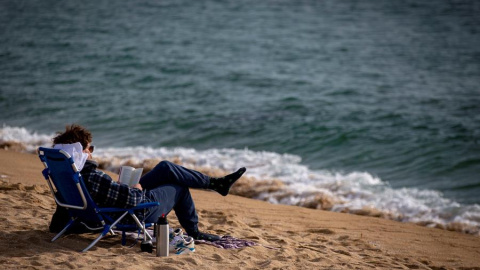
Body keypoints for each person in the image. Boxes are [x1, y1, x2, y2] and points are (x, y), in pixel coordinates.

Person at [51, 124, 246, 241]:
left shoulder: (64, 175)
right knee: (179, 188)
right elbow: (134, 200)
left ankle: (215, 183)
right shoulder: (93, 177)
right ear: (79, 151)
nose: (91, 151)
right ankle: (194, 231)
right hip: (132, 212)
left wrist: (121, 188)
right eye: (88, 148)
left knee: (166, 168)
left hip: (108, 207)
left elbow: (63, 209)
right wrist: (133, 188)